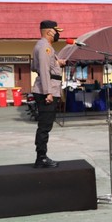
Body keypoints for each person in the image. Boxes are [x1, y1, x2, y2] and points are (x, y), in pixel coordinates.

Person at [32, 20, 66, 168]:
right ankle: (41, 157)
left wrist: (57, 64)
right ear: (49, 32)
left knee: (46, 125)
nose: (58, 34)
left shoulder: (42, 46)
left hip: (49, 88)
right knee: (44, 126)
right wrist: (48, 93)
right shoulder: (45, 47)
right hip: (48, 90)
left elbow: (35, 67)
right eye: (56, 31)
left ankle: (42, 156)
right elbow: (44, 71)